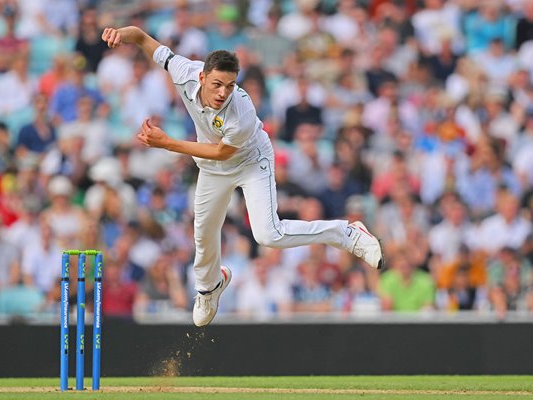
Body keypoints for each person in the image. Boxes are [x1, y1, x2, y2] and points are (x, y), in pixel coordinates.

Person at [101, 25, 384, 327]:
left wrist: (167, 143)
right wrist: (120, 33)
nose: (223, 92)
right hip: (212, 167)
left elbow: (223, 151)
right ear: (202, 77)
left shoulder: (242, 111)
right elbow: (143, 38)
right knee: (203, 232)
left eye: (230, 85)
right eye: (217, 84)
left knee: (268, 235)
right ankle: (210, 288)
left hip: (250, 161)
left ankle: (348, 234)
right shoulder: (184, 71)